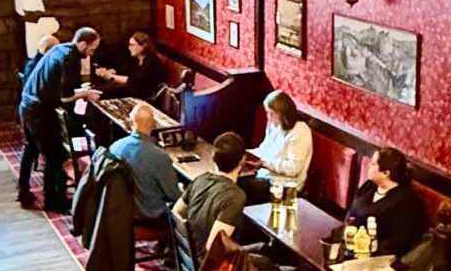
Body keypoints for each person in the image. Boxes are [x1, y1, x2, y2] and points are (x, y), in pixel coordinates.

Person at [19, 25, 100, 212]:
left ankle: (23, 190)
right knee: (54, 155)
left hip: (27, 103)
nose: (90, 54)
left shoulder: (59, 48)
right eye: (91, 49)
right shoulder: (70, 58)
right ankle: (53, 200)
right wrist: (84, 95)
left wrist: (79, 92)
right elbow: (65, 97)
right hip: (40, 110)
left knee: (30, 147)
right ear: (81, 43)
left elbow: (62, 88)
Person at [175, 131, 248, 261]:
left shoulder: (200, 180)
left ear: (213, 157)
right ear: (243, 159)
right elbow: (214, 247)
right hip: (210, 267)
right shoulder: (235, 197)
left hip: (188, 256)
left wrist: (187, 237)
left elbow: (175, 212)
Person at [346, 147, 431, 257]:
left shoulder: (406, 201)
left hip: (376, 258)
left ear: (386, 173)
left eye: (373, 164)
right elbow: (352, 212)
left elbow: (399, 243)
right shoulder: (369, 186)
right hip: (350, 246)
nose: (368, 167)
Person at [109, 101, 181, 224]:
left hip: (122, 211)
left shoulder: (114, 147)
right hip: (152, 217)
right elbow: (174, 196)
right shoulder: (160, 157)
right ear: (154, 124)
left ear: (130, 123)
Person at [240, 90, 314, 203]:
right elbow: (263, 150)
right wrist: (243, 154)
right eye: (267, 113)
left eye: (272, 113)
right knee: (234, 180)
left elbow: (294, 169)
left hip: (287, 185)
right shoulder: (274, 125)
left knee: (241, 185)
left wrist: (265, 163)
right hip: (266, 176)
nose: (268, 117)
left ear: (283, 113)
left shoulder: (300, 131)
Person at [15, 32, 60, 204]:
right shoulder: (40, 66)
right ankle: (51, 197)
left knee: (30, 149)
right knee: (51, 152)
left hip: (26, 110)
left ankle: (23, 189)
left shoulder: (32, 63)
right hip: (36, 113)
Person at [119, 31, 170, 105]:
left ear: (143, 45)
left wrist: (112, 77)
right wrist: (111, 72)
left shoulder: (153, 63)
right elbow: (124, 71)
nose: (129, 48)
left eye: (132, 45)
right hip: (135, 95)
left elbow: (137, 83)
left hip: (148, 100)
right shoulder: (137, 59)